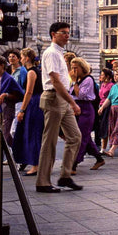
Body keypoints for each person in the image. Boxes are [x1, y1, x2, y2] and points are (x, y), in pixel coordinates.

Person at [35, 22, 83, 193]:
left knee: (75, 136)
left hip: (62, 99)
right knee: (50, 141)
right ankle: (43, 182)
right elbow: (55, 81)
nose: (67, 35)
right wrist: (72, 102)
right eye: (63, 32)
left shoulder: (60, 54)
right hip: (54, 98)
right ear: (53, 34)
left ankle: (65, 176)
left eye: (68, 33)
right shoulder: (51, 53)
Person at [69, 58, 105, 172]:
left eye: (76, 68)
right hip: (77, 108)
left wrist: (74, 82)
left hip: (86, 109)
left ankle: (74, 163)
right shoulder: (77, 80)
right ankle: (99, 158)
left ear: (82, 68)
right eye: (72, 68)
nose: (74, 70)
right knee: (85, 137)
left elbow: (80, 95)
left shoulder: (88, 79)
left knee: (81, 137)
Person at [13, 48, 44, 177]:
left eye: (21, 56)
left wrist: (22, 110)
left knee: (33, 133)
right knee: (33, 133)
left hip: (34, 103)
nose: (20, 59)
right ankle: (34, 163)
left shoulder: (32, 72)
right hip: (36, 102)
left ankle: (35, 165)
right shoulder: (36, 71)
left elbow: (29, 92)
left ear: (26, 58)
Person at [0, 55, 24, 148]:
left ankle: (15, 151)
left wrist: (6, 95)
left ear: (2, 65)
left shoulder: (9, 79)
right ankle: (14, 152)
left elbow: (19, 95)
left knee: (6, 133)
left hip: (7, 109)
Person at [97, 68, 115, 154]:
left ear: (107, 76)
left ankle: (106, 147)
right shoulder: (102, 84)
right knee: (102, 126)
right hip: (101, 106)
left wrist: (103, 107)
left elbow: (110, 98)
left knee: (106, 126)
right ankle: (103, 147)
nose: (101, 76)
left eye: (103, 75)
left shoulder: (111, 85)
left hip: (108, 107)